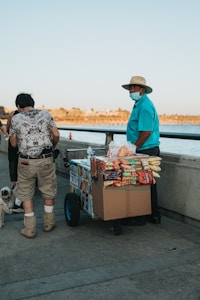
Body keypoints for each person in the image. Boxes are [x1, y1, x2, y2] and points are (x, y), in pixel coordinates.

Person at [9, 93, 60, 238]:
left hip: (26, 161)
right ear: (33, 103)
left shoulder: (16, 118)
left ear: (18, 106)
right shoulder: (46, 114)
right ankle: (49, 223)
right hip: (45, 158)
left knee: (25, 192)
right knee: (48, 189)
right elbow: (56, 134)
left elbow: (13, 143)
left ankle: (30, 228)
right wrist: (52, 146)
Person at [122, 75, 161, 224]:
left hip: (147, 151)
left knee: (143, 184)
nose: (131, 90)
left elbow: (146, 132)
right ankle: (152, 215)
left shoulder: (145, 106)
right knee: (148, 184)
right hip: (144, 150)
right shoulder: (140, 103)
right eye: (130, 88)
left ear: (142, 90)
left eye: (134, 88)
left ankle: (143, 216)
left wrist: (133, 148)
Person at [6, 101, 24, 212]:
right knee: (22, 173)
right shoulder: (31, 115)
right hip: (23, 147)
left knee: (14, 168)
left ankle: (15, 190)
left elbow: (8, 129)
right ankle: (18, 198)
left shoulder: (12, 114)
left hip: (14, 147)